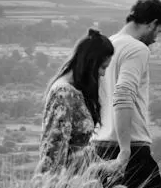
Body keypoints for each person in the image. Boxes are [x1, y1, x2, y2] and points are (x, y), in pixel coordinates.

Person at [89, 0, 161, 188]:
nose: (156, 39)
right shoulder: (136, 49)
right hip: (129, 149)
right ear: (151, 23)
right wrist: (125, 151)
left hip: (99, 146)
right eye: (158, 31)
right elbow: (123, 94)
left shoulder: (105, 46)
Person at [38, 28, 115, 175]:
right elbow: (54, 152)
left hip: (82, 180)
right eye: (102, 67)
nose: (103, 73)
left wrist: (105, 166)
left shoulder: (75, 91)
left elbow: (80, 148)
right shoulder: (63, 94)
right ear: (90, 63)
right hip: (68, 182)